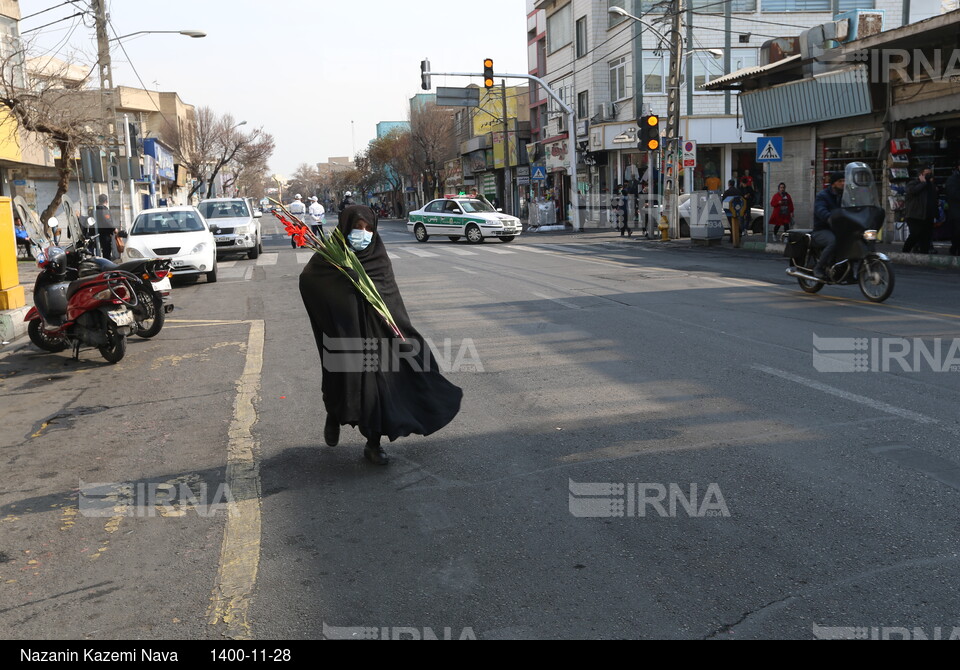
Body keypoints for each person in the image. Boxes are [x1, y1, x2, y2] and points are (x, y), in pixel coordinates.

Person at [298, 206, 463, 466]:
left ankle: (373, 444)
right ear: (344, 227)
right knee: (343, 384)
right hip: (346, 335)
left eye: (368, 229)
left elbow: (390, 297)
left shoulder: (378, 257)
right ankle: (334, 413)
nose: (362, 234)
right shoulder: (330, 257)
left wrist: (402, 335)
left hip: (380, 333)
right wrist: (344, 284)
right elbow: (309, 280)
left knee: (380, 389)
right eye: (357, 228)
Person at [813, 171, 845, 280]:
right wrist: (829, 217)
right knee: (833, 241)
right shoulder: (823, 196)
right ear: (833, 184)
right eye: (840, 181)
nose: (843, 183)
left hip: (839, 228)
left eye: (844, 180)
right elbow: (820, 209)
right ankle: (819, 267)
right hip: (822, 229)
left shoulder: (846, 196)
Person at [903, 167, 938, 255]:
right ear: (920, 175)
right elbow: (912, 191)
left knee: (926, 238)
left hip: (927, 216)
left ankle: (924, 255)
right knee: (914, 234)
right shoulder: (913, 183)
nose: (929, 176)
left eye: (930, 174)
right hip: (914, 215)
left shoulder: (931, 185)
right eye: (926, 174)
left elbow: (934, 199)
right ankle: (905, 252)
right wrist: (923, 183)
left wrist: (935, 213)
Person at [94, 194, 116, 260]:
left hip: (97, 232)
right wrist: (113, 228)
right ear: (106, 201)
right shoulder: (103, 209)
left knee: (100, 249)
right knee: (107, 250)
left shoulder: (95, 209)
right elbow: (107, 221)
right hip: (105, 233)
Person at [946, 161, 960, 256]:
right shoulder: (952, 179)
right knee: (957, 232)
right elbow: (953, 194)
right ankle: (954, 249)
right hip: (957, 212)